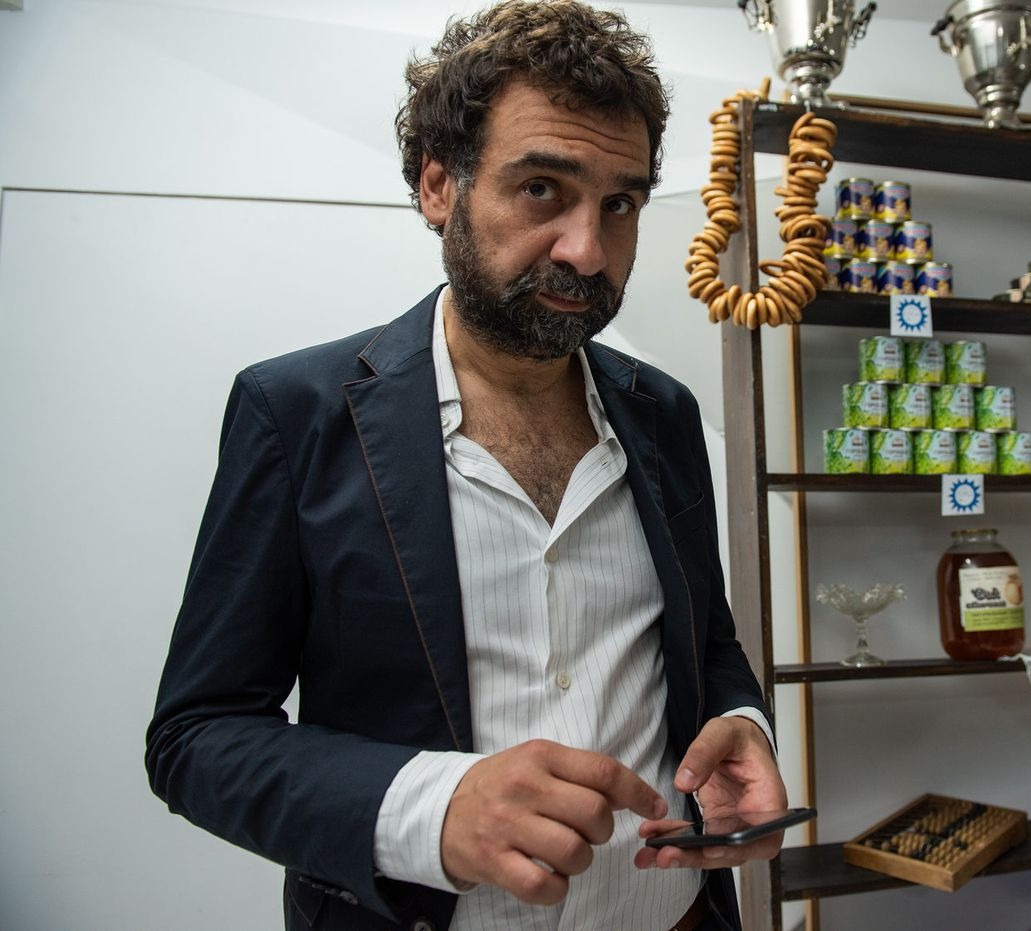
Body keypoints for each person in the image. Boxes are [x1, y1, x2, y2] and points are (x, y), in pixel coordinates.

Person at [144, 3, 785, 929]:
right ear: (439, 184)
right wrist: (428, 807)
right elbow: (196, 736)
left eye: (620, 203)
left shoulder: (665, 413)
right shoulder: (295, 414)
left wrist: (741, 723)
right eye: (541, 189)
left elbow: (704, 641)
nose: (586, 250)